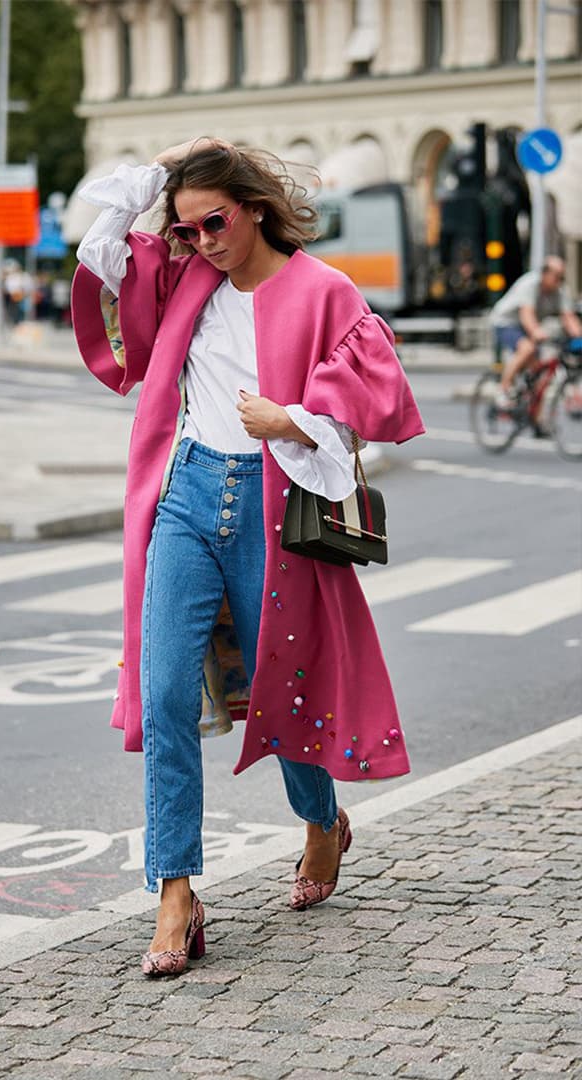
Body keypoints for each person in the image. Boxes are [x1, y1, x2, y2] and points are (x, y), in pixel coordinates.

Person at [72, 139, 424, 978]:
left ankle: (321, 820)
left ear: (254, 207)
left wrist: (292, 417)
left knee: (283, 688)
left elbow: (376, 388)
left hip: (273, 501)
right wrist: (165, 171)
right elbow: (104, 253)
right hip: (188, 495)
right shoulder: (185, 278)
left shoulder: (322, 289)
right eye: (187, 231)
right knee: (164, 696)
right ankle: (176, 893)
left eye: (214, 223)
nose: (201, 243)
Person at [491, 255, 582, 405]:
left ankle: (534, 416)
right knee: (526, 348)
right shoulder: (530, 284)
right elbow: (527, 315)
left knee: (540, 371)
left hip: (529, 327)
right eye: (556, 276)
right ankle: (503, 389)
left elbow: (569, 318)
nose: (559, 280)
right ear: (545, 273)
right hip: (506, 323)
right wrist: (537, 332)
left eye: (562, 276)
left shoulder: (560, 291)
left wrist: (578, 336)